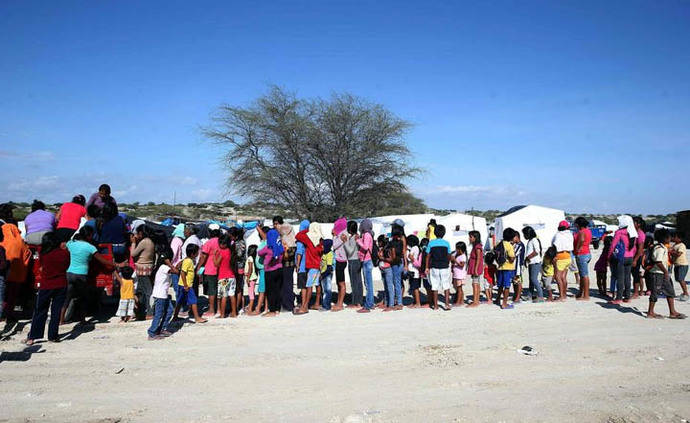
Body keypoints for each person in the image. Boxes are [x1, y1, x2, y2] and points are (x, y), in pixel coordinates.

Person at [61, 225, 113, 324]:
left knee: (67, 298)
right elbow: (103, 261)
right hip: (81, 275)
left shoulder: (71, 243)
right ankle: (82, 319)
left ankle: (61, 320)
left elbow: (63, 246)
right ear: (89, 236)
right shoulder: (90, 247)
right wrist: (117, 264)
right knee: (83, 298)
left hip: (69, 273)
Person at [23, 232, 68, 345]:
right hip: (61, 283)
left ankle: (33, 336)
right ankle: (53, 335)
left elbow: (42, 267)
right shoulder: (65, 253)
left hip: (47, 284)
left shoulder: (44, 254)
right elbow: (66, 266)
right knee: (56, 311)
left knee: (40, 310)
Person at [646, 228, 686, 320]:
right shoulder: (659, 248)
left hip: (663, 274)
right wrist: (665, 271)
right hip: (657, 274)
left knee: (670, 291)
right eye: (669, 237)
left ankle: (672, 312)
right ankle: (650, 312)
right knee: (655, 293)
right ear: (665, 238)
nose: (670, 238)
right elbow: (658, 261)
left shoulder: (664, 247)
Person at [0, 210, 30, 322]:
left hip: (2, 272)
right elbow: (27, 257)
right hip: (16, 273)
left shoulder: (2, 239)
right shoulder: (20, 241)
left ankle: (2, 314)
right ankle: (9, 314)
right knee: (12, 295)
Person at [606, 215, 638, 304]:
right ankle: (627, 296)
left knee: (620, 278)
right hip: (630, 257)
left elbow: (613, 245)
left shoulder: (619, 232)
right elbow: (634, 247)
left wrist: (609, 256)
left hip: (621, 257)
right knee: (627, 277)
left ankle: (619, 298)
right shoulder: (633, 232)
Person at [294, 223, 324, 314]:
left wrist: (307, 230)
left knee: (309, 285)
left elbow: (298, 235)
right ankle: (317, 303)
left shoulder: (309, 239)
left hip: (311, 266)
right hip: (318, 265)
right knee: (317, 284)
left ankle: (305, 306)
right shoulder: (320, 239)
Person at [148, 253, 179, 339]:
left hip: (164, 295)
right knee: (159, 314)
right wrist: (169, 263)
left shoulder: (163, 268)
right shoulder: (163, 267)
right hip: (160, 295)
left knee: (169, 310)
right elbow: (175, 271)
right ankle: (152, 332)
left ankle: (161, 329)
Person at [173, 244, 207, 323]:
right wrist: (185, 285)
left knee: (180, 301)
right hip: (187, 285)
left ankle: (175, 317)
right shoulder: (188, 261)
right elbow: (183, 273)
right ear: (193, 254)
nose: (198, 254)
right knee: (193, 301)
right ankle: (197, 317)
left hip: (184, 284)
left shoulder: (187, 260)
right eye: (197, 252)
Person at [131, 224, 156, 319]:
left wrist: (133, 243)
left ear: (141, 233)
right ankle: (140, 312)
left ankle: (149, 312)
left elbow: (133, 253)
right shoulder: (150, 241)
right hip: (147, 268)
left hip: (142, 268)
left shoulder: (144, 242)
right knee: (141, 291)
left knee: (146, 291)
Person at [425, 225, 452, 310]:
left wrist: (426, 267)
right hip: (444, 266)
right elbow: (449, 255)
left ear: (435, 233)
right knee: (446, 285)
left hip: (434, 267)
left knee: (435, 286)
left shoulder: (431, 243)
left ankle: (436, 306)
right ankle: (447, 304)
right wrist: (448, 263)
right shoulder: (447, 243)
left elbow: (428, 256)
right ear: (444, 233)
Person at [258, 228, 284, 317]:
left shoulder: (268, 248)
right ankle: (277, 309)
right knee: (277, 290)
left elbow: (259, 253)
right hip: (279, 269)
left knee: (270, 291)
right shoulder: (280, 247)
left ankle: (272, 310)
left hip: (270, 271)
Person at [198, 223, 221, 317]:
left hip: (210, 269)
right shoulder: (222, 241)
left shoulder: (208, 243)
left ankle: (211, 310)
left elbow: (203, 256)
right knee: (219, 290)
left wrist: (199, 266)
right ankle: (218, 309)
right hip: (220, 269)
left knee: (211, 291)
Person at [213, 234, 237, 318]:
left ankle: (222, 314)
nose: (220, 245)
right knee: (232, 295)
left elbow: (216, 264)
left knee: (224, 296)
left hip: (223, 277)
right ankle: (234, 312)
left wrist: (214, 255)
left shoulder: (221, 252)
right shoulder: (231, 251)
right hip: (232, 276)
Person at [356, 218, 376, 313]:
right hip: (365, 260)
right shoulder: (367, 234)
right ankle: (370, 303)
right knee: (368, 284)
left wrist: (358, 241)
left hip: (367, 261)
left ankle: (368, 305)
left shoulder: (367, 235)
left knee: (368, 284)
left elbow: (366, 246)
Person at [552, 220, 574, 302]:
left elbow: (554, 245)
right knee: (564, 277)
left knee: (558, 277)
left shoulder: (558, 235)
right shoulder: (570, 234)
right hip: (568, 256)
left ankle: (561, 296)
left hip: (560, 257)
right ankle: (564, 294)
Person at [343, 221, 363, 308]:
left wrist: (345, 242)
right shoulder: (356, 236)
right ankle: (359, 301)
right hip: (356, 260)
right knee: (358, 281)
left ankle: (355, 302)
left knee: (354, 282)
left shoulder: (353, 238)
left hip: (353, 261)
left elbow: (350, 251)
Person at [572, 217, 592, 301]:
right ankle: (581, 293)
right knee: (582, 274)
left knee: (584, 275)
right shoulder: (588, 231)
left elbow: (581, 240)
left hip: (582, 254)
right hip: (587, 252)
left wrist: (576, 250)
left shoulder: (581, 232)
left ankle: (586, 295)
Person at [331, 217, 348, 311]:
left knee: (341, 283)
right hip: (339, 259)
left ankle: (340, 303)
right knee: (339, 282)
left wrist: (334, 235)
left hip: (341, 261)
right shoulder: (341, 233)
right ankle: (339, 302)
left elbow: (334, 245)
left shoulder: (342, 235)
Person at [522, 226, 543, 303]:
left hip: (535, 262)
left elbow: (537, 251)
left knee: (534, 279)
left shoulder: (534, 240)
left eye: (524, 234)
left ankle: (541, 296)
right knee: (531, 280)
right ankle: (530, 295)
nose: (524, 236)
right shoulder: (530, 240)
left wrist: (528, 257)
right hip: (531, 262)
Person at [278, 223, 296, 312]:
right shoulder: (286, 239)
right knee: (285, 285)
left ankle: (288, 305)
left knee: (287, 286)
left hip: (287, 266)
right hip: (286, 266)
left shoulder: (290, 242)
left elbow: (287, 256)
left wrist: (284, 250)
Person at [294, 220, 310, 310]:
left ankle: (304, 304)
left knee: (303, 287)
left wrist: (297, 265)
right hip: (309, 265)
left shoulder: (300, 239)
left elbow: (299, 253)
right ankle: (306, 303)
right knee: (308, 285)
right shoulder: (309, 238)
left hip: (302, 267)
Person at [467, 231, 484, 307]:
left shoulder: (477, 247)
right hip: (474, 267)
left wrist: (476, 269)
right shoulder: (475, 246)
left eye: (471, 237)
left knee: (475, 284)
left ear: (475, 237)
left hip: (476, 268)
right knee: (476, 283)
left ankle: (475, 301)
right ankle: (476, 300)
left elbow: (478, 258)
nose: (469, 238)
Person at [631, 216, 647, 297]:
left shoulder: (640, 234)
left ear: (638, 224)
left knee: (636, 275)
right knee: (635, 274)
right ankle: (637, 291)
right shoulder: (634, 232)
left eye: (633, 222)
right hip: (633, 256)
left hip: (637, 257)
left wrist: (635, 260)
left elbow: (640, 248)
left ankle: (636, 293)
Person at [671, 231, 689, 301]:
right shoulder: (674, 245)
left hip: (683, 265)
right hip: (677, 265)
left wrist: (671, 252)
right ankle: (684, 292)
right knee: (678, 279)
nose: (673, 238)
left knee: (681, 279)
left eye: (675, 237)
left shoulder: (682, 245)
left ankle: (686, 293)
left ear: (680, 238)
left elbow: (678, 254)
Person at [406, 235, 423, 308]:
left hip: (414, 270)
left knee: (415, 288)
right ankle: (415, 302)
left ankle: (418, 303)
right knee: (413, 287)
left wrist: (407, 253)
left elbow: (410, 257)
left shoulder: (414, 248)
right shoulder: (417, 248)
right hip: (414, 270)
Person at [452, 241, 468, 306]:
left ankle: (458, 302)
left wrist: (455, 260)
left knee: (459, 289)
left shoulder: (463, 256)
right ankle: (461, 301)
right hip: (457, 274)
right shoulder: (458, 255)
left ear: (460, 249)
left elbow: (462, 265)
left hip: (460, 275)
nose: (456, 250)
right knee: (459, 288)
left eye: (457, 249)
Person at [320, 239, 334, 310]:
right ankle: (324, 304)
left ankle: (326, 305)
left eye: (323, 246)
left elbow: (329, 267)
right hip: (323, 274)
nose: (322, 247)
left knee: (327, 290)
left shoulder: (329, 254)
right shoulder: (324, 253)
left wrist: (323, 275)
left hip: (327, 274)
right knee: (324, 290)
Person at [244, 245, 258, 313]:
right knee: (252, 292)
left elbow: (250, 268)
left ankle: (250, 309)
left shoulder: (250, 258)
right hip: (253, 277)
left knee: (250, 293)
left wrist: (248, 277)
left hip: (251, 278)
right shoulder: (254, 258)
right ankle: (250, 306)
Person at [512, 232, 525, 303]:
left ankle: (518, 297)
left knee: (518, 281)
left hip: (518, 266)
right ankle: (515, 295)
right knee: (515, 281)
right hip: (514, 266)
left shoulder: (520, 245)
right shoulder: (516, 244)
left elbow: (513, 253)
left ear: (517, 237)